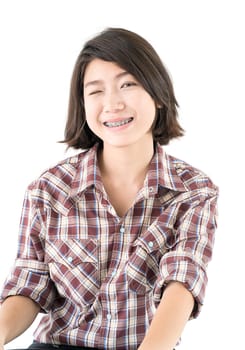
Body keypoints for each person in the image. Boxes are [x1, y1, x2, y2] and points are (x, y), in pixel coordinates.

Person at [0, 28, 218, 350]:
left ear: (157, 94)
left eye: (127, 84)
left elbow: (182, 283)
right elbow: (30, 286)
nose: (112, 104)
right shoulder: (48, 189)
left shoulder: (194, 191)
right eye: (95, 91)